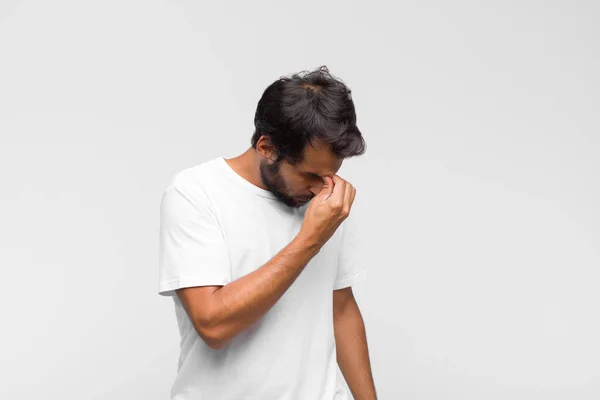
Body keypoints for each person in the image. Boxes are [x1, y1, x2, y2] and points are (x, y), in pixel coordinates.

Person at [158, 66, 377, 399]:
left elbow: (341, 308)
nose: (323, 189)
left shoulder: (326, 201)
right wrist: (310, 240)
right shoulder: (196, 193)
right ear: (266, 147)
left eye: (331, 175)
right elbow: (213, 325)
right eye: (310, 175)